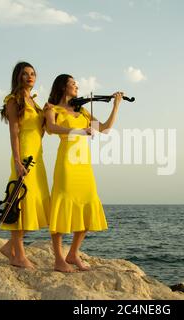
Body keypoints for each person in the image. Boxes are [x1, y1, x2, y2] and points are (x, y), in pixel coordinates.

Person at [44, 74, 124, 272]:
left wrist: (116, 106)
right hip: (66, 165)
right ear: (63, 87)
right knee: (62, 207)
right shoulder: (52, 108)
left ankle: (72, 253)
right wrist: (81, 132)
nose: (77, 87)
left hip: (83, 165)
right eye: (73, 84)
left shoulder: (84, 112)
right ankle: (58, 259)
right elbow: (52, 128)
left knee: (89, 205)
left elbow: (104, 129)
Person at [0, 62, 50, 269]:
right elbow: (14, 132)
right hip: (23, 156)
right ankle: (18, 255)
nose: (29, 77)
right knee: (20, 203)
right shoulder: (14, 100)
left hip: (38, 157)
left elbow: (40, 132)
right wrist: (18, 161)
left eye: (33, 73)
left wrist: (45, 117)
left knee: (36, 203)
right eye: (25, 74)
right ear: (17, 77)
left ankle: (8, 247)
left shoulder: (35, 103)